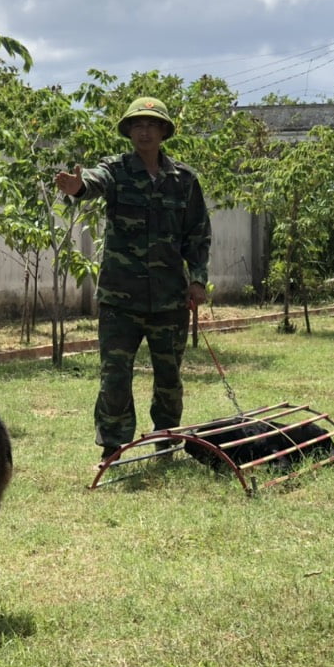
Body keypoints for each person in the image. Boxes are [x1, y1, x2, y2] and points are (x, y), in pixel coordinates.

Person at [54, 96, 211, 460]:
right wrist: (78, 188)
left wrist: (198, 279)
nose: (145, 131)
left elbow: (198, 233)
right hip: (120, 300)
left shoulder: (184, 180)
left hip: (170, 299)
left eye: (152, 125)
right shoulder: (117, 170)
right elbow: (94, 181)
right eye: (138, 125)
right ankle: (112, 445)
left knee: (169, 379)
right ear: (128, 131)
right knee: (115, 377)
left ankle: (166, 441)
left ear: (163, 132)